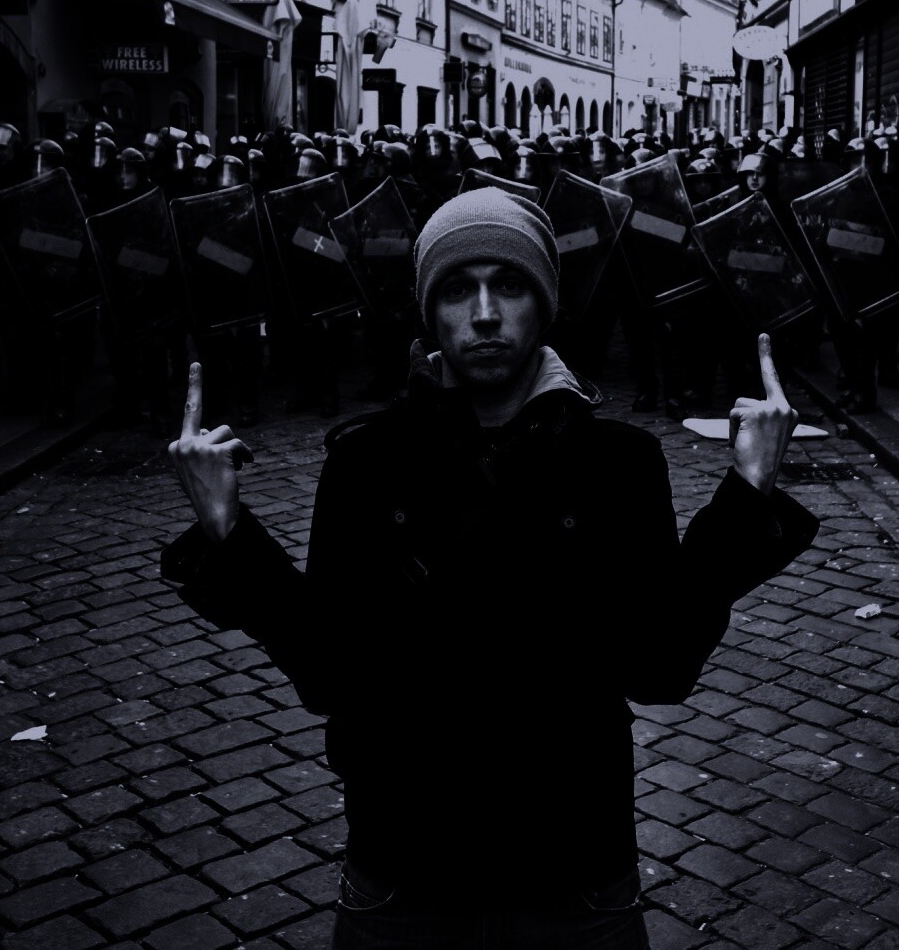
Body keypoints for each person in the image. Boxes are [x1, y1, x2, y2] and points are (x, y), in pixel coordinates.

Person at [163, 188, 820, 950]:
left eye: (508, 284)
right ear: (429, 311)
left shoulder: (617, 462)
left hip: (573, 873)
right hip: (405, 870)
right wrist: (228, 531)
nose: (483, 314)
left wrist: (746, 496)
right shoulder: (368, 462)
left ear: (544, 304)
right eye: (456, 289)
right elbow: (328, 672)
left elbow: (659, 666)